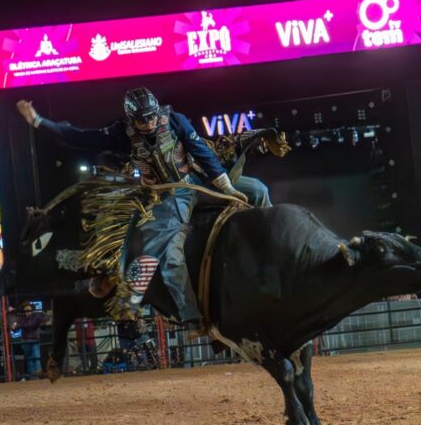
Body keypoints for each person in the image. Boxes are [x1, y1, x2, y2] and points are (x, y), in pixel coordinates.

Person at [17, 88, 250, 336]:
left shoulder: (175, 120)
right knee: (170, 257)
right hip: (166, 197)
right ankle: (188, 314)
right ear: (132, 119)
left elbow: (200, 150)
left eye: (152, 117)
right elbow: (81, 137)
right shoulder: (121, 134)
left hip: (195, 182)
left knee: (256, 190)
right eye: (143, 120)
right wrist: (39, 121)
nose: (149, 124)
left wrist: (226, 186)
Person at [16, 303, 47, 380]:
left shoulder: (36, 317)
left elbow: (45, 320)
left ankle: (38, 376)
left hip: (34, 340)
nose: (28, 312)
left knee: (36, 357)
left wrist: (44, 319)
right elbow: (16, 327)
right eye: (26, 311)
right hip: (25, 341)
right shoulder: (21, 319)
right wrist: (15, 327)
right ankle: (33, 377)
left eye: (29, 310)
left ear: (32, 311)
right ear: (24, 311)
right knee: (29, 359)